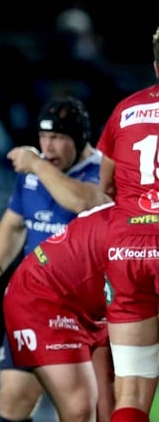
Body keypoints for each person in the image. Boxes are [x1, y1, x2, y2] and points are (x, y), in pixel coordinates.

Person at [0, 95, 111, 422]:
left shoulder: (102, 170)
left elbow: (83, 202)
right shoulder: (32, 175)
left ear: (80, 140)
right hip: (37, 303)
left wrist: (36, 164)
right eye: (44, 137)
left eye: (59, 138)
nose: (48, 147)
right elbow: (13, 224)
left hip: (89, 308)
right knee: (13, 399)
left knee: (88, 409)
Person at [2, 202, 115, 422]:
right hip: (44, 293)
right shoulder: (142, 229)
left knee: (109, 410)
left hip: (95, 304)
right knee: (79, 409)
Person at [98, 26, 159, 422]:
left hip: (126, 249)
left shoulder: (126, 109)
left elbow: (104, 187)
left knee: (133, 390)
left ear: (155, 65)